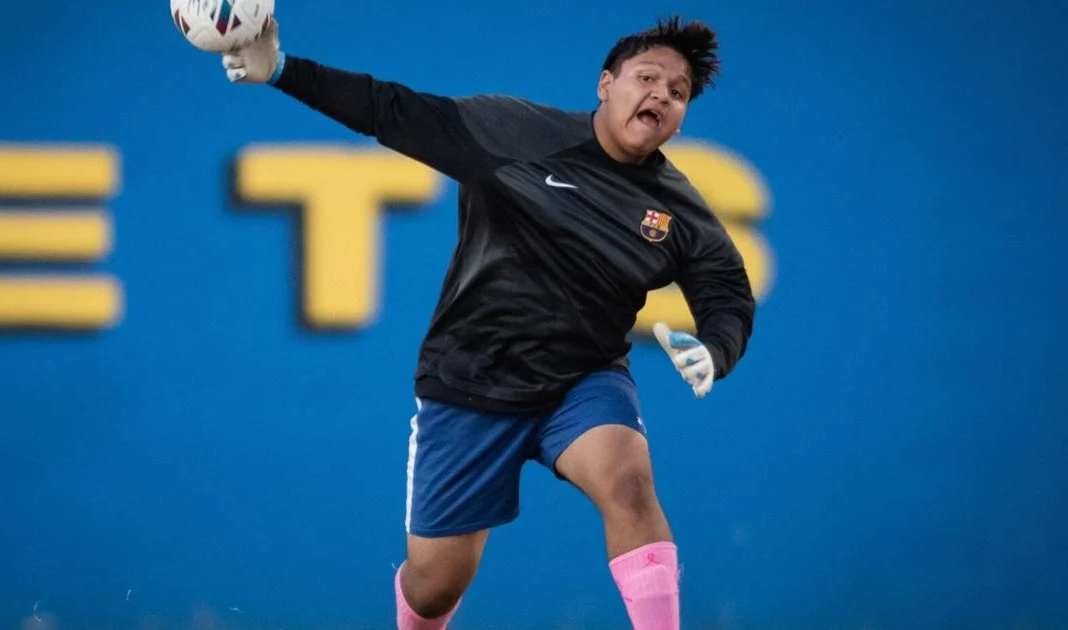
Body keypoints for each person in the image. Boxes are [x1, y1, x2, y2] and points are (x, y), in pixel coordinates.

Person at [221, 13, 756, 630]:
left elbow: (726, 291)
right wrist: (282, 71)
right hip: (469, 384)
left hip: (580, 382)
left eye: (679, 91)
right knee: (434, 588)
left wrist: (717, 349)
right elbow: (388, 109)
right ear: (606, 84)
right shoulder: (513, 131)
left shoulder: (678, 207)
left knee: (629, 480)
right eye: (647, 77)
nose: (661, 94)